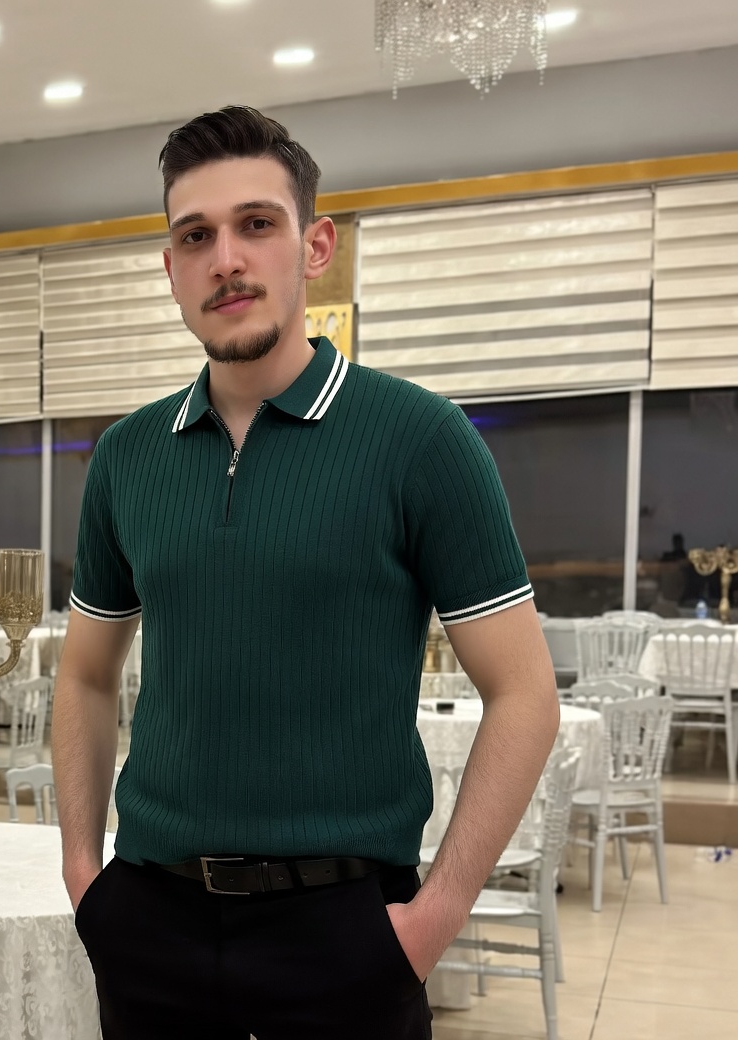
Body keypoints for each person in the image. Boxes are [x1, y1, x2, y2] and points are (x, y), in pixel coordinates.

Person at [52, 105, 560, 1040]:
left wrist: (434, 918)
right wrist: (86, 878)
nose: (226, 259)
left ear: (314, 246)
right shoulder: (126, 456)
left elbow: (525, 693)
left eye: (257, 223)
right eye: (195, 236)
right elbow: (85, 675)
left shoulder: (422, 440)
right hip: (150, 923)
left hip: (347, 933)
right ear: (170, 268)